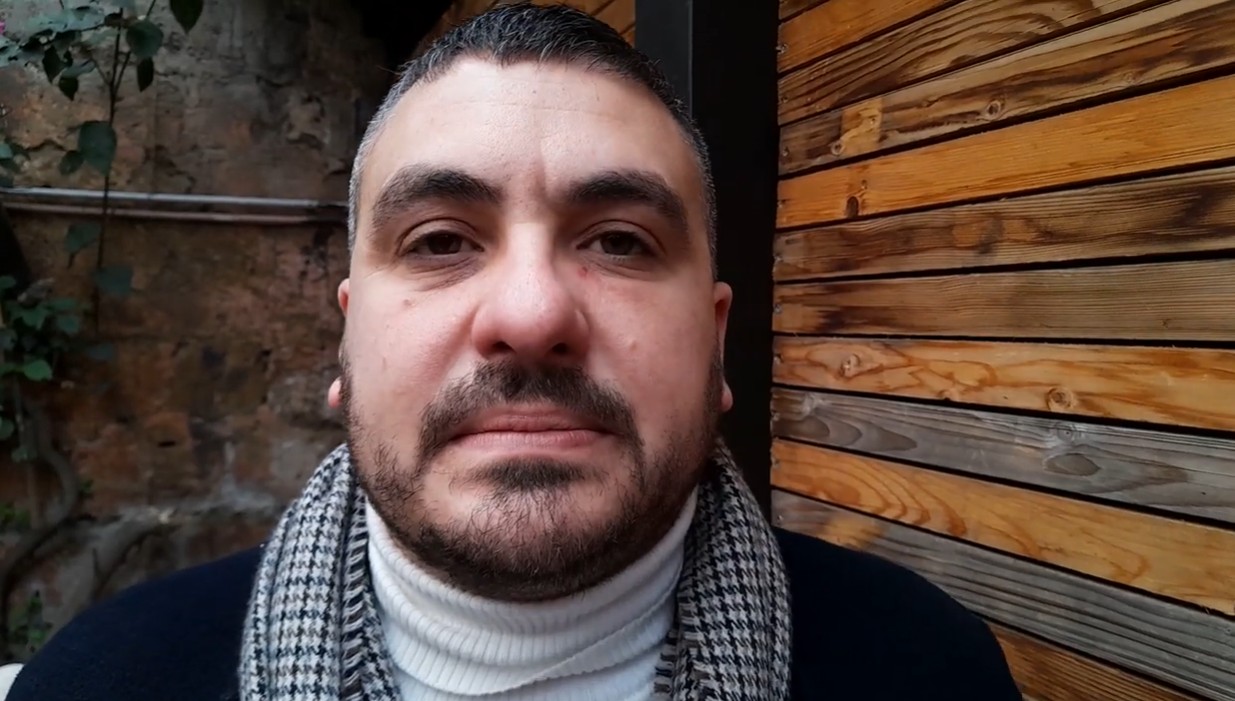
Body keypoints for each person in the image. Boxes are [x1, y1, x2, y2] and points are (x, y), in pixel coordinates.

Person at [2, 4, 1021, 700]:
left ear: (715, 341)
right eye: (439, 241)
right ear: (347, 339)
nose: (532, 314)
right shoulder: (100, 680)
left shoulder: (928, 671)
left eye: (619, 241)